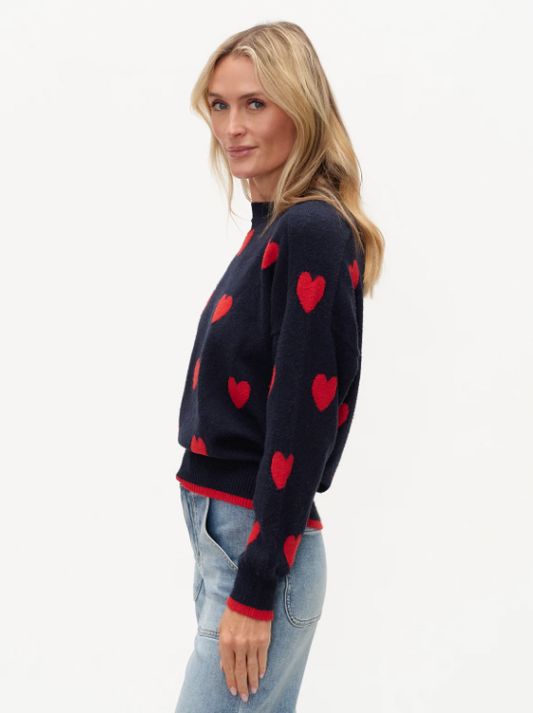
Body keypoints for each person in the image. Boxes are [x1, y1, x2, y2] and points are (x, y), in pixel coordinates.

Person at [173, 20, 385, 713]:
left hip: (257, 550)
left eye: (255, 104)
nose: (232, 126)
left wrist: (257, 582)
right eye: (219, 104)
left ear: (301, 107)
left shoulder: (311, 230)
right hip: (229, 542)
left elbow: (302, 418)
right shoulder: (274, 229)